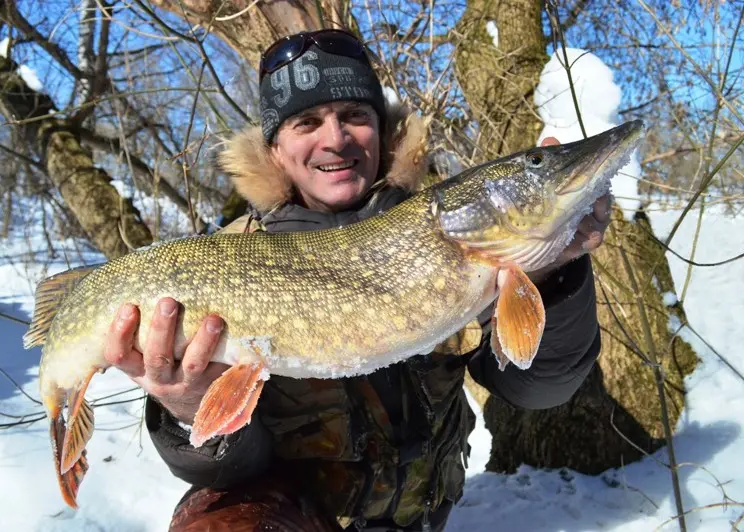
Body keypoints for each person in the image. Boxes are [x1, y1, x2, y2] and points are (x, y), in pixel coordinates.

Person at [103, 29, 611, 531]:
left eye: (354, 115)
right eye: (306, 122)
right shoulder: (226, 258)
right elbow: (228, 473)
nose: (336, 138)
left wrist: (551, 273)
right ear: (275, 149)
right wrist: (187, 407)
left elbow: (537, 389)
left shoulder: (452, 233)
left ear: (382, 131)